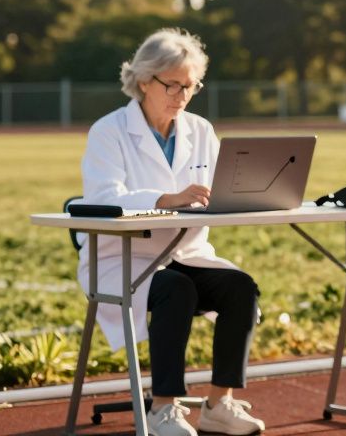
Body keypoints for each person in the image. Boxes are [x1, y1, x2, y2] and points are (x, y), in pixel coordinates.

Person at [78, 28, 264, 436]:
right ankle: (164, 409)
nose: (182, 95)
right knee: (175, 289)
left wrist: (249, 196)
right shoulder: (108, 132)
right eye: (172, 85)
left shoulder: (200, 130)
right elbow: (105, 197)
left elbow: (219, 190)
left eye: (191, 86)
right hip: (122, 260)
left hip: (186, 252)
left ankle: (219, 404)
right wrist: (167, 198)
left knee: (240, 288)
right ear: (144, 80)